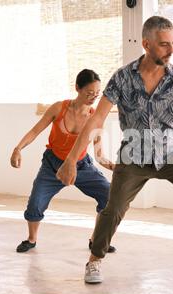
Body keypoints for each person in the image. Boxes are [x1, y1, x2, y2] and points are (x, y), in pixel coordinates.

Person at [56, 17, 173, 290]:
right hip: (134, 156)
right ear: (146, 44)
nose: (171, 50)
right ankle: (94, 260)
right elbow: (96, 120)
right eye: (163, 45)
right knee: (113, 209)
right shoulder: (122, 79)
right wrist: (70, 159)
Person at [10, 69, 117, 254]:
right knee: (35, 202)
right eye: (89, 93)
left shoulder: (95, 118)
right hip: (52, 164)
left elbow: (99, 155)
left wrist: (114, 166)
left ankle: (96, 240)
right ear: (77, 88)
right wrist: (18, 148)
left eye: (96, 94)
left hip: (82, 166)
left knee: (108, 196)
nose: (93, 97)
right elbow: (35, 131)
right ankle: (31, 239)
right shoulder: (58, 108)